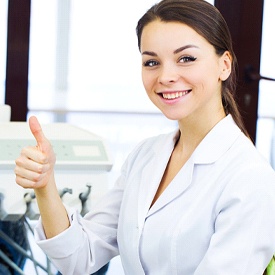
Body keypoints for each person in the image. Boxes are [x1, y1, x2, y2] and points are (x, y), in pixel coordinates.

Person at [14, 0, 275, 274]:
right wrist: (44, 186)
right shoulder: (146, 155)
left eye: (186, 58)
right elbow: (80, 256)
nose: (166, 76)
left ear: (224, 65)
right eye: (152, 62)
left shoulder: (250, 180)